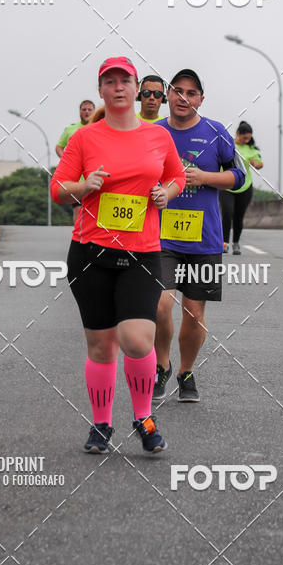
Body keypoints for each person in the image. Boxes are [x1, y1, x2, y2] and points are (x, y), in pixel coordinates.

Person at [50, 56, 185, 454]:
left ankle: (143, 417)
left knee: (137, 340)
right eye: (110, 82)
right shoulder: (84, 138)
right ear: (101, 90)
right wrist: (84, 186)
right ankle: (102, 424)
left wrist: (167, 193)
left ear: (136, 87)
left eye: (124, 81)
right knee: (101, 346)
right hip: (90, 253)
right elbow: (58, 189)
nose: (118, 87)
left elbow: (176, 175)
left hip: (142, 253)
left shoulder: (158, 137)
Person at [153, 69, 245, 403]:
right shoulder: (153, 132)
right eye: (178, 91)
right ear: (168, 94)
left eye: (191, 93)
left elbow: (239, 176)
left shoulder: (216, 132)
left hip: (203, 238)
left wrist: (204, 177)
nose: (183, 98)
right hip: (160, 237)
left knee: (193, 312)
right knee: (160, 305)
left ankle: (186, 371)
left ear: (201, 99)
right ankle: (162, 366)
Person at [220, 121, 263, 255]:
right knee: (227, 213)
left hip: (244, 187)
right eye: (244, 138)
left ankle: (236, 243)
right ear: (238, 133)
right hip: (226, 185)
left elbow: (260, 163)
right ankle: (224, 243)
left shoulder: (251, 149)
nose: (246, 140)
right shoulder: (228, 144)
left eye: (249, 138)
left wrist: (255, 163)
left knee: (239, 216)